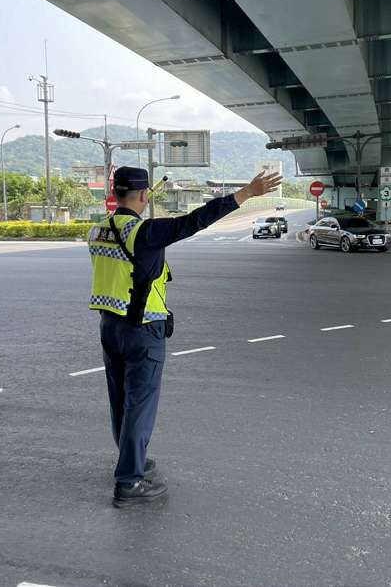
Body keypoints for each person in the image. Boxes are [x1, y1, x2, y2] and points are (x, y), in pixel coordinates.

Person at [88, 166, 282, 508]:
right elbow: (196, 220)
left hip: (109, 325)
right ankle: (129, 481)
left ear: (114, 193)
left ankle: (131, 461)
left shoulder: (97, 230)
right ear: (145, 196)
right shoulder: (145, 232)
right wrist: (247, 192)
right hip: (142, 328)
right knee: (139, 406)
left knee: (120, 401)